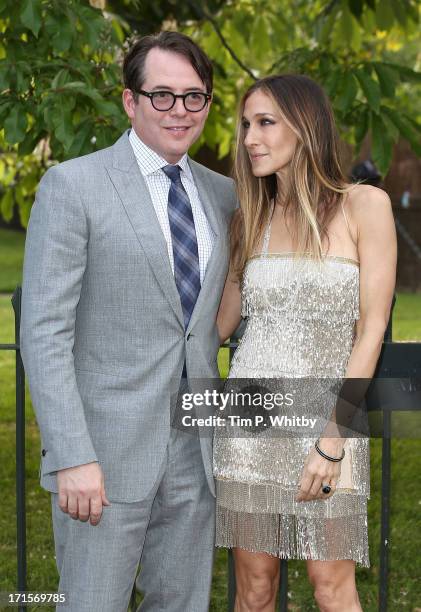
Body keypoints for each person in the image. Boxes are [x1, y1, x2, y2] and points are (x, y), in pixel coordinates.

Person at [20, 31, 236, 612]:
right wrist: (71, 455)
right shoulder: (74, 185)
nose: (179, 111)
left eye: (195, 97)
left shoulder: (226, 196)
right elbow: (44, 332)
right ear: (129, 101)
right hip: (103, 458)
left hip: (198, 452)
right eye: (161, 95)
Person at [213, 74, 396, 611]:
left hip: (328, 424)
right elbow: (219, 326)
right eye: (246, 124)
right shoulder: (250, 221)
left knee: (332, 587)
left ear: (306, 126)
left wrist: (333, 438)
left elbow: (372, 329)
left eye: (266, 122)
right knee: (254, 589)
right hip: (250, 426)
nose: (250, 137)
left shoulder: (365, 205)